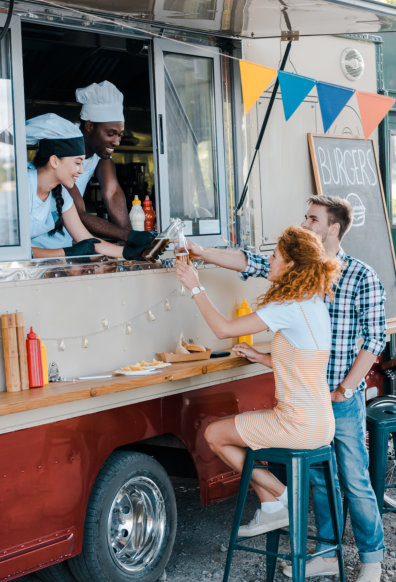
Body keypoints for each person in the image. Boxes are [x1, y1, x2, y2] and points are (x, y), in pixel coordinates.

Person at [186, 196, 386, 582]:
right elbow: (250, 262)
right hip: (310, 396)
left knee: (354, 479)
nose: (306, 223)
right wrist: (201, 252)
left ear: (334, 227)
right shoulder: (301, 277)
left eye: (313, 218)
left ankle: (373, 560)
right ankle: (327, 553)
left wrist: (345, 389)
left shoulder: (360, 275)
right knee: (318, 481)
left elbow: (375, 340)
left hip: (337, 396)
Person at [177, 226, 340, 536]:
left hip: (297, 424)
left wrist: (195, 287)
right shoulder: (313, 302)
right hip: (320, 422)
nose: (269, 259)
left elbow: (223, 329)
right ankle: (272, 506)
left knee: (214, 434)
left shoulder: (288, 307)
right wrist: (261, 357)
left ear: (291, 265)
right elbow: (304, 364)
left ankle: (281, 495)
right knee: (229, 433)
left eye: (275, 255)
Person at [26, 113, 148, 261]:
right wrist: (67, 253)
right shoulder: (22, 188)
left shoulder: (61, 192)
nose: (81, 171)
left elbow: (86, 239)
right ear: (54, 161)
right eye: (77, 163)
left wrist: (130, 252)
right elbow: (11, 250)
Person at [62, 80, 151, 245]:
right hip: (40, 244)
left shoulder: (99, 152)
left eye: (120, 134)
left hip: (67, 237)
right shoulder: (66, 148)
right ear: (89, 126)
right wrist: (128, 236)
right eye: (111, 133)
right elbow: (79, 212)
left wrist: (132, 238)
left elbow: (113, 192)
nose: (117, 142)